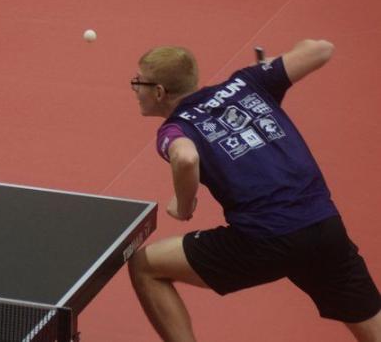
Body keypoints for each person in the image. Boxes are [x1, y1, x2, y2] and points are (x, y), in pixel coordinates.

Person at [127, 40, 381, 341]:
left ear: (158, 92)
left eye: (138, 82)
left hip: (264, 239)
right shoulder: (248, 82)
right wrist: (267, 69)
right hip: (325, 228)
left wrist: (184, 205)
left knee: (144, 266)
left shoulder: (176, 128)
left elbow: (186, 157)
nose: (134, 89)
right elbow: (321, 48)